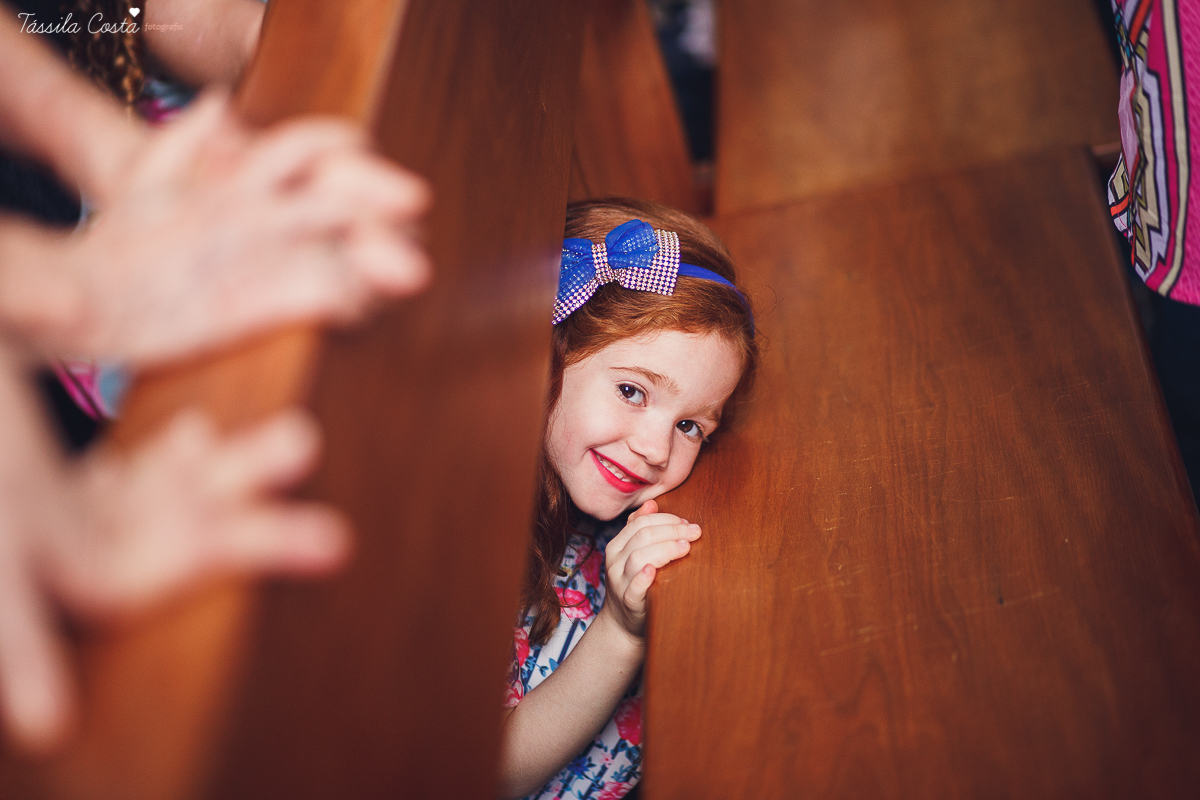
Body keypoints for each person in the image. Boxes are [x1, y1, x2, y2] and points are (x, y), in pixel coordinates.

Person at [499, 198, 758, 800]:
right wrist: (619, 630)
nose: (655, 449)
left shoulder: (586, 498)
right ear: (546, 355)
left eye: (690, 425)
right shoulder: (482, 549)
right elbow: (492, 773)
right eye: (632, 391)